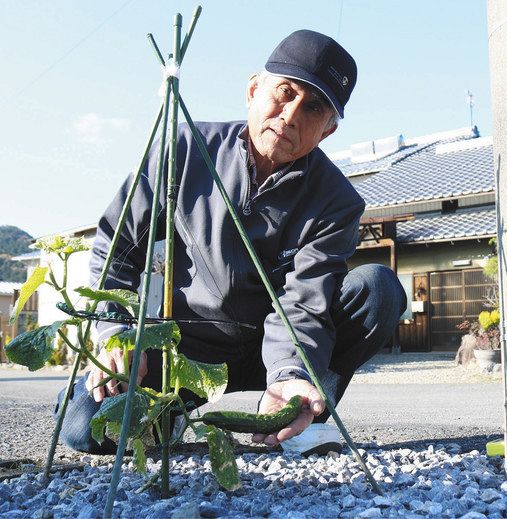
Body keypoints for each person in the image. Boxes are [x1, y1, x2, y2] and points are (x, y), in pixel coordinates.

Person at [57, 29, 406, 455]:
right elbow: (118, 252)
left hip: (271, 350)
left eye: (313, 108)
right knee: (84, 429)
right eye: (284, 92)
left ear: (328, 131)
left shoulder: (337, 202)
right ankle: (168, 412)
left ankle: (297, 407)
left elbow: (306, 301)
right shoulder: (184, 149)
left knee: (377, 288)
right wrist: (117, 330)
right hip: (184, 350)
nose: (291, 115)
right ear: (253, 89)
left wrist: (290, 372)